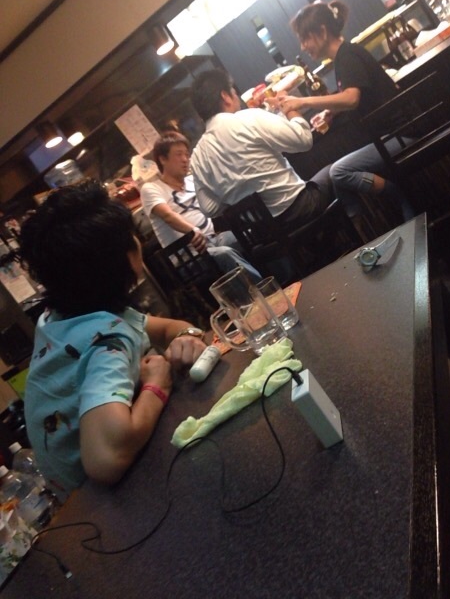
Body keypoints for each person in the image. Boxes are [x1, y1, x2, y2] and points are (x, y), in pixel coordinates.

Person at [18, 181, 207, 499]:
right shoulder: (107, 341)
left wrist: (186, 335)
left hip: (74, 502)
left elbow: (165, 328)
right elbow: (105, 460)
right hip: (103, 504)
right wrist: (157, 386)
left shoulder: (59, 317)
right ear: (126, 257)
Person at [278, 0, 414, 232]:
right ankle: (366, 237)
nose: (303, 47)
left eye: (304, 38)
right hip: (389, 135)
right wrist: (330, 112)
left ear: (322, 32)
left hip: (400, 134)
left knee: (339, 172)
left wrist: (302, 101)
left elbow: (352, 98)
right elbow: (357, 94)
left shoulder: (347, 56)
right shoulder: (344, 56)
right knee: (339, 180)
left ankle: (398, 193)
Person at [189, 68, 333, 232]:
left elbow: (209, 209)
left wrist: (235, 192)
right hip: (301, 210)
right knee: (337, 171)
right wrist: (288, 105)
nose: (236, 96)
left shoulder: (197, 157)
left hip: (264, 233)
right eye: (233, 91)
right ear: (225, 96)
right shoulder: (247, 118)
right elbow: (304, 139)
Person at [140, 130, 261, 282]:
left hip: (215, 239)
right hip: (189, 256)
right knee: (225, 254)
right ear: (163, 159)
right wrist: (192, 230)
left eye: (187, 154)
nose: (185, 159)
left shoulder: (193, 180)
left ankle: (279, 281)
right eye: (179, 154)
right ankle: (263, 291)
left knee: (250, 234)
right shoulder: (151, 188)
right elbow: (167, 215)